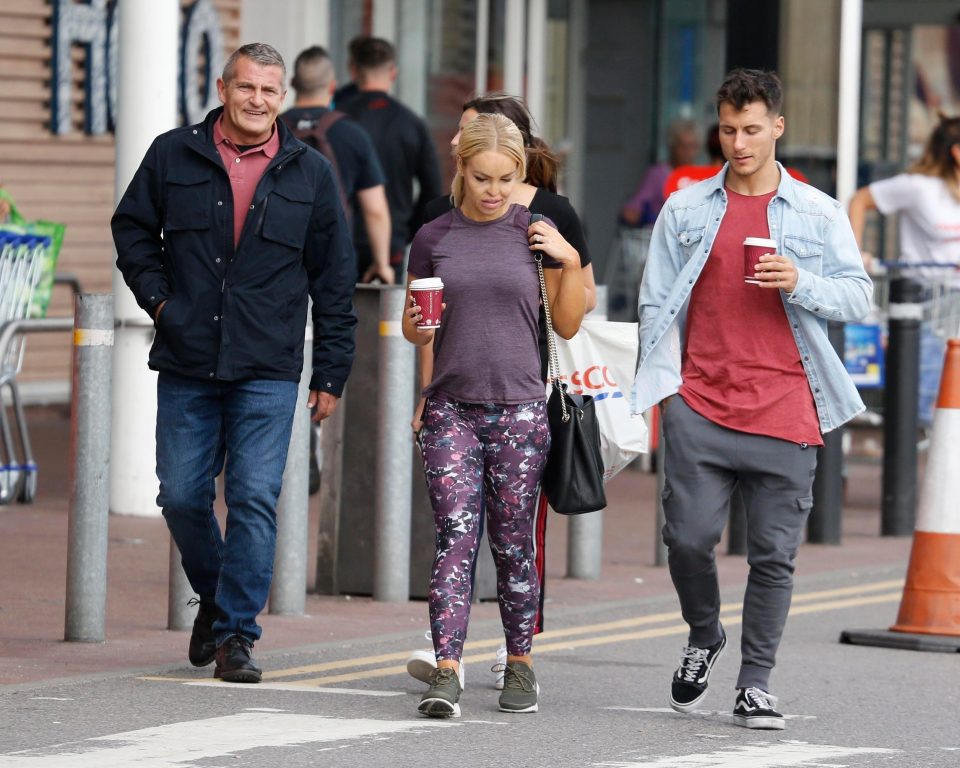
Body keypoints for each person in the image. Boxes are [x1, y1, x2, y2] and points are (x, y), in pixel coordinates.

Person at [630, 69, 872, 729]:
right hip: (701, 404)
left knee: (773, 555)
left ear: (778, 128)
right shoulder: (684, 207)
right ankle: (704, 635)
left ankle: (756, 683)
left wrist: (800, 279)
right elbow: (655, 300)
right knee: (687, 539)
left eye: (752, 130)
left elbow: (859, 296)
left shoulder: (818, 212)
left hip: (788, 406)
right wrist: (665, 389)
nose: (738, 143)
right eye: (729, 129)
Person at [112, 43, 357, 684]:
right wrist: (161, 302)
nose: (257, 101)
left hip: (268, 364)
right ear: (223, 87)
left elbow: (334, 277)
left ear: (283, 98)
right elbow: (131, 229)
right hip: (189, 356)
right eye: (245, 87)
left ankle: (236, 637)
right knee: (182, 495)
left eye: (269, 91)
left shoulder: (310, 172)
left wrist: (331, 369)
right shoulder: (173, 153)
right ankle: (220, 603)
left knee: (254, 498)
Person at [405, 93, 595, 690]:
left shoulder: (536, 234)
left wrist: (564, 260)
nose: (494, 191)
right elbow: (414, 324)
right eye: (482, 177)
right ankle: (446, 668)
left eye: (506, 180)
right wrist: (421, 325)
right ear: (461, 168)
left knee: (514, 543)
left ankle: (520, 664)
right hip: (450, 409)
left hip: (520, 410)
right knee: (455, 538)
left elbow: (566, 325)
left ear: (521, 173)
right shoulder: (433, 235)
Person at [282, 45, 394, 285]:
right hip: (334, 262)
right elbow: (375, 210)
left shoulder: (271, 130)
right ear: (332, 86)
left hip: (276, 263)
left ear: (292, 83)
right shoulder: (352, 134)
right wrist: (381, 263)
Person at [336, 37, 442, 280]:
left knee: (333, 316)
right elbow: (433, 190)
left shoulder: (335, 122)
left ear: (353, 69)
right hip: (392, 240)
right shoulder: (412, 124)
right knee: (386, 317)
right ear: (393, 72)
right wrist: (404, 232)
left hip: (339, 238)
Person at [848, 112, 960, 286]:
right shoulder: (919, 186)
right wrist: (854, 254)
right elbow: (860, 200)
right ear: (956, 152)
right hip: (926, 299)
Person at [620, 118, 701, 227]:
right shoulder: (657, 175)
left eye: (692, 146)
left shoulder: (703, 176)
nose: (687, 152)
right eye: (682, 146)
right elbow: (631, 211)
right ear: (672, 146)